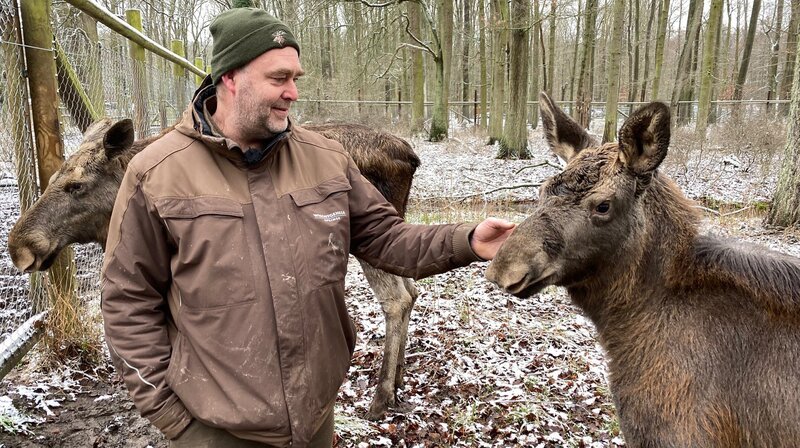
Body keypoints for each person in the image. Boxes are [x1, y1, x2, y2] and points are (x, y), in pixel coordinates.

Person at [101, 7, 515, 448]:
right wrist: (174, 420)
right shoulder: (158, 174)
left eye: (296, 77)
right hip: (215, 431)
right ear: (230, 77)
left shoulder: (325, 158)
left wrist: (468, 239)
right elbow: (127, 299)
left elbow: (388, 237)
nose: (293, 92)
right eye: (279, 78)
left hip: (315, 419)